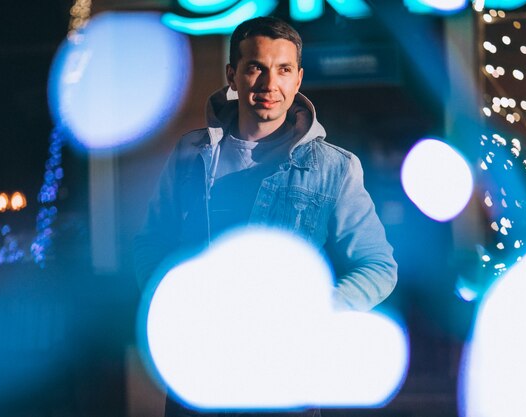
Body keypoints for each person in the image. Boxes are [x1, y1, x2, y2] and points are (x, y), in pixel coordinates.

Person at [134, 16, 397, 417]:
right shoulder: (191, 155)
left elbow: (378, 266)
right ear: (233, 76)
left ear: (298, 79)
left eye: (283, 70)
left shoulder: (334, 168)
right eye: (255, 67)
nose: (268, 84)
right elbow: (151, 244)